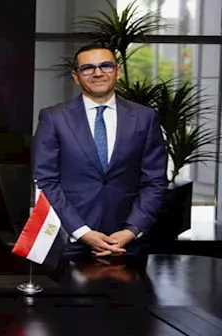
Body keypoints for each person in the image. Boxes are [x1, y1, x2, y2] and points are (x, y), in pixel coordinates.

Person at [33, 44, 167, 260]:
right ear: (76, 76)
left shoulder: (145, 118)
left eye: (106, 65)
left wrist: (132, 230)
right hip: (70, 240)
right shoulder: (54, 118)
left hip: (127, 241)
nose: (98, 73)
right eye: (87, 68)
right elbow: (45, 181)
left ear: (117, 71)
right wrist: (82, 232)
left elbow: (155, 180)